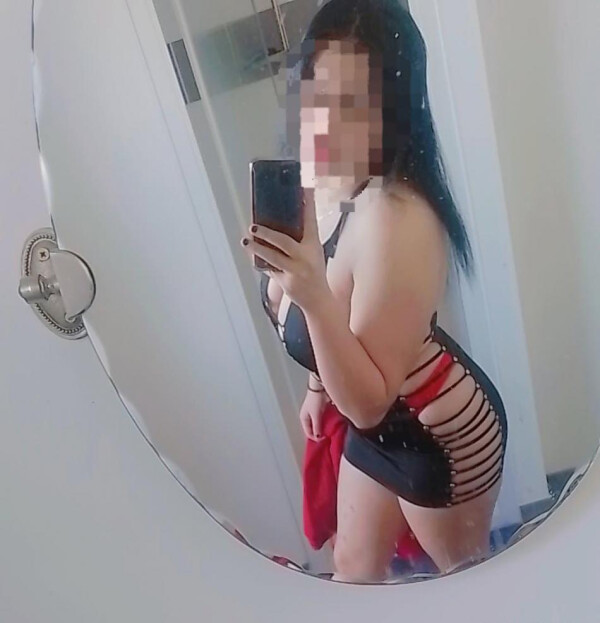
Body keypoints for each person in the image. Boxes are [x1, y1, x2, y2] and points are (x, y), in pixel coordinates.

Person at [240, 0, 508, 583]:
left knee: (467, 585)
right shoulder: (321, 182)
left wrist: (311, 293)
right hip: (377, 425)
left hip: (441, 435)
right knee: (352, 568)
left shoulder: (396, 218)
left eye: (353, 106)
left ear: (394, 114)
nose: (323, 123)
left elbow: (367, 401)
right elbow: (345, 332)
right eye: (316, 93)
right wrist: (316, 388)